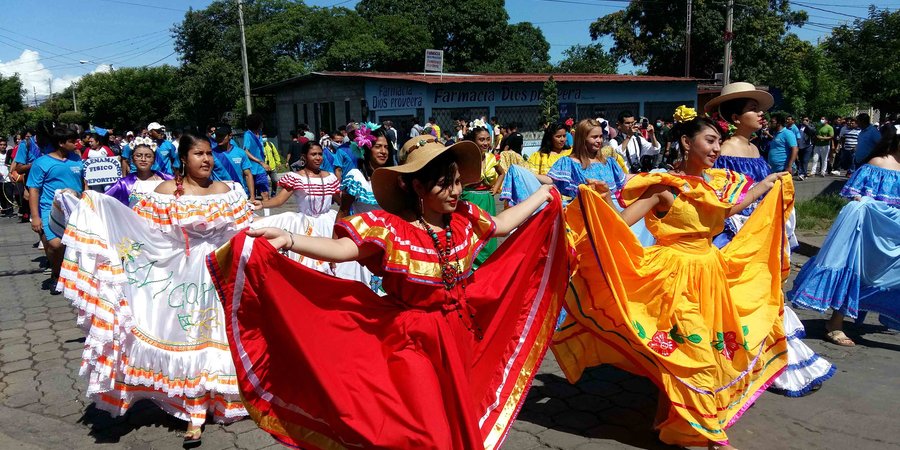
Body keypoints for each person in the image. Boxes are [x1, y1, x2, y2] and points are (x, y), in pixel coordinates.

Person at [206, 136, 568, 449]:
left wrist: (542, 194)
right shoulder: (391, 230)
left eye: (456, 181)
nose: (455, 190)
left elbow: (503, 224)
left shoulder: (464, 219)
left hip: (458, 335)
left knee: (458, 419)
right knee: (422, 431)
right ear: (417, 188)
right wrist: (290, 240)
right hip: (411, 342)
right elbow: (345, 250)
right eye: (444, 183)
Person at [551, 109, 792, 449]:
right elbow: (621, 223)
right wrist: (602, 200)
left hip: (712, 275)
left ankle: (669, 420)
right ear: (685, 142)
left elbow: (724, 211)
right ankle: (707, 435)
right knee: (692, 355)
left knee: (707, 351)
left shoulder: (716, 185)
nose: (716, 149)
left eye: (719, 143)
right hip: (674, 277)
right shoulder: (664, 189)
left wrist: (764, 188)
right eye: (709, 141)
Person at [56, 133, 253, 446]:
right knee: (190, 339)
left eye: (209, 154)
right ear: (183, 159)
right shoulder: (164, 193)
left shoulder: (228, 191)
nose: (206, 160)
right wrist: (93, 204)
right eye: (198, 154)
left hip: (220, 275)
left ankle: (222, 400)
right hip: (180, 278)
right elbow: (139, 231)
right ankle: (193, 413)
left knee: (220, 338)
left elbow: (244, 233)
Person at [706, 85, 834, 396]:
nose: (762, 114)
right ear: (736, 117)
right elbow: (721, 195)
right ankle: (733, 364)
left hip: (759, 231)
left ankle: (768, 361)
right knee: (740, 297)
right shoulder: (723, 150)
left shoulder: (753, 148)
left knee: (763, 294)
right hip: (734, 232)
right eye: (753, 108)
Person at [790, 124, 900, 346]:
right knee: (853, 272)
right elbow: (856, 200)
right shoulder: (878, 163)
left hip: (895, 236)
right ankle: (835, 323)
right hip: (871, 234)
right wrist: (868, 205)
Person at [259, 140, 340, 274]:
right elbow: (279, 200)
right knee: (311, 266)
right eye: (313, 154)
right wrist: (262, 204)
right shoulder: (296, 177)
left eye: (320, 154)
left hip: (328, 225)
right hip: (305, 225)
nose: (318, 158)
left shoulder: (329, 177)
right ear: (304, 156)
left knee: (333, 262)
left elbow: (341, 202)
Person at [26, 124, 85, 295]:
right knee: (55, 244)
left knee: (74, 244)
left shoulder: (76, 159)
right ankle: (56, 274)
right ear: (60, 143)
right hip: (50, 210)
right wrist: (35, 216)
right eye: (72, 141)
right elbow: (34, 190)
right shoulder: (42, 163)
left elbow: (83, 182)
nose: (77, 143)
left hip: (76, 209)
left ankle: (71, 274)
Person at [335, 126, 392, 291]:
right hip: (363, 245)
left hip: (389, 244)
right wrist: (335, 248)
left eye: (386, 147)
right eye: (378, 146)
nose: (383, 151)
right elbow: (343, 212)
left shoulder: (392, 175)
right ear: (366, 148)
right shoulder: (356, 177)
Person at [461, 127, 499, 267]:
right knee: (472, 232)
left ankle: (488, 265)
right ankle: (471, 266)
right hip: (470, 197)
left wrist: (495, 187)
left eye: (488, 139)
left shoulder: (492, 158)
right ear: (473, 141)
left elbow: (502, 173)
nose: (485, 143)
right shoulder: (467, 159)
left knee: (488, 230)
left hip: (487, 199)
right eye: (481, 139)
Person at [103, 143, 173, 206]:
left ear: (154, 160)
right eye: (138, 156)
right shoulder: (124, 184)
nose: (143, 159)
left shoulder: (166, 180)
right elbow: (104, 200)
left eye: (148, 156)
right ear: (133, 159)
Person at [213, 125, 254, 198]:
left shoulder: (240, 153)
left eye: (222, 136)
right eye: (217, 135)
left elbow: (248, 175)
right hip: (220, 195)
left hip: (239, 194)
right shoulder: (211, 154)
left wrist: (252, 196)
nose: (219, 138)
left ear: (230, 136)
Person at [242, 113, 271, 201]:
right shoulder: (248, 135)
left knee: (265, 193)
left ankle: (267, 213)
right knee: (252, 196)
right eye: (261, 122)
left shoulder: (260, 133)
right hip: (251, 169)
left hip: (261, 170)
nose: (262, 124)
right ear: (257, 123)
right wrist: (260, 162)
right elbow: (245, 151)